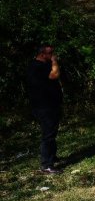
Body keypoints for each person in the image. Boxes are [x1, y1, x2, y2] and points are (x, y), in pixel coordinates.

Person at [27, 44, 63, 174]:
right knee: (48, 135)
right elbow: (55, 75)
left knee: (52, 132)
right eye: (50, 53)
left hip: (51, 104)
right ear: (42, 54)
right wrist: (54, 61)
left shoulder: (44, 64)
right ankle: (46, 165)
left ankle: (52, 157)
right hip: (44, 106)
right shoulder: (36, 67)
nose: (53, 54)